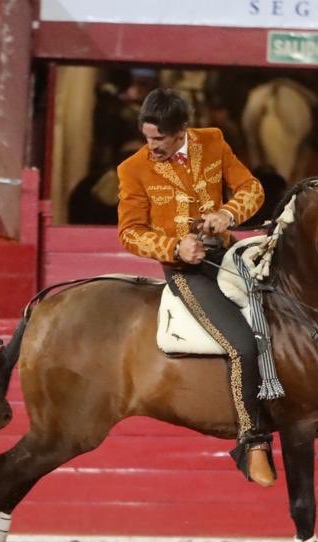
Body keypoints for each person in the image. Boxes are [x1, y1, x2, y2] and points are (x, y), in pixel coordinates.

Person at [117, 88, 273, 486]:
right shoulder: (132, 169)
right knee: (241, 343)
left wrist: (227, 212)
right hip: (186, 270)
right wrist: (173, 246)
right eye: (147, 137)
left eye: (159, 140)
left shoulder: (213, 141)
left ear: (181, 130)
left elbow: (252, 189)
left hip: (229, 256)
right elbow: (130, 233)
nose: (151, 147)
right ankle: (252, 442)